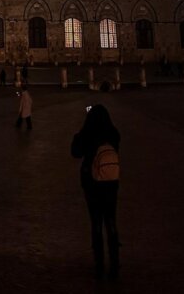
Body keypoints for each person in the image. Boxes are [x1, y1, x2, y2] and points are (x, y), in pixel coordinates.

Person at [71, 104, 121, 280]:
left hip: (91, 183)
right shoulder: (113, 134)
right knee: (111, 221)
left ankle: (99, 265)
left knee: (96, 223)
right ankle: (115, 265)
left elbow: (75, 152)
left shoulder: (87, 133)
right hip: (110, 182)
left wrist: (82, 131)